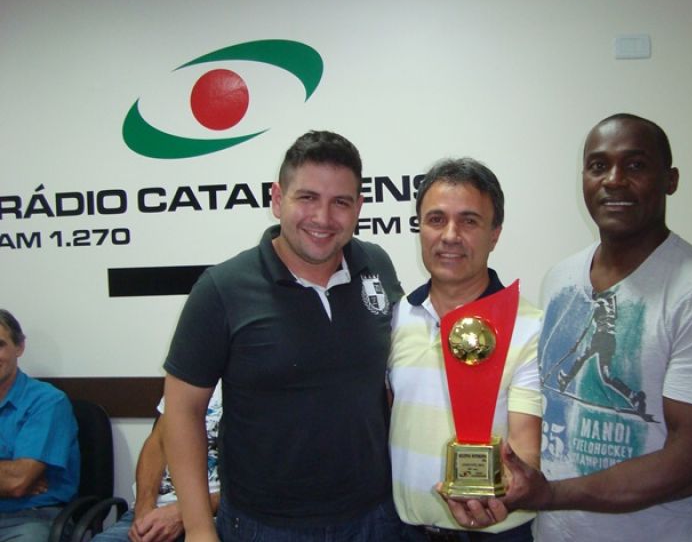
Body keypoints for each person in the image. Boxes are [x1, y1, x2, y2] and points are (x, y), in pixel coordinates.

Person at [444, 114, 692, 541]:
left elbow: (689, 470)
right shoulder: (560, 277)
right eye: (598, 166)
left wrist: (550, 494)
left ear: (670, 180)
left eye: (635, 165)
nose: (614, 180)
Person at [162, 131, 404, 541]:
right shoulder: (222, 289)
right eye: (307, 197)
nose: (323, 218)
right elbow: (183, 411)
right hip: (265, 525)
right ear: (277, 199)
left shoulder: (375, 264)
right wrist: (200, 528)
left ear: (358, 207)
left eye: (340, 202)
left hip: (376, 516)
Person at [389, 158, 543, 541]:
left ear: (495, 234)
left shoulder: (531, 326)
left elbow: (526, 446)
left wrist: (507, 495)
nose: (450, 235)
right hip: (404, 532)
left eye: (469, 221)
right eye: (436, 219)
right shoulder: (397, 316)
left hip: (498, 533)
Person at [93, 384, 222, 542]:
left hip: (217, 518)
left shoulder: (246, 388)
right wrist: (144, 510)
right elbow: (158, 443)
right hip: (155, 512)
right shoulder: (190, 381)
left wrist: (183, 512)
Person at [0, 309, 80, 542]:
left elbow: (17, 482)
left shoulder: (47, 402)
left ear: (19, 347)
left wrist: (16, 478)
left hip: (30, 518)